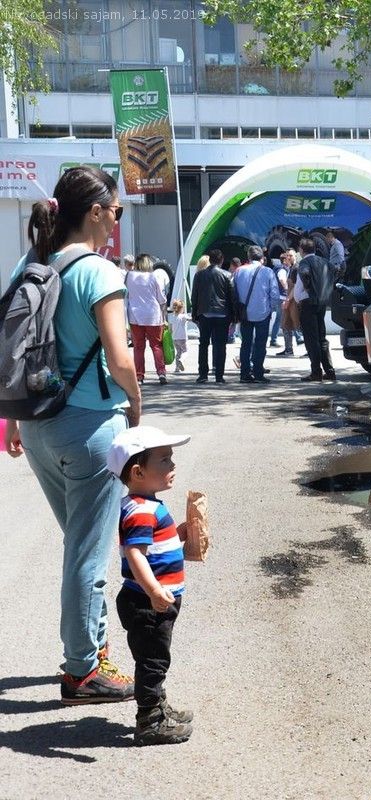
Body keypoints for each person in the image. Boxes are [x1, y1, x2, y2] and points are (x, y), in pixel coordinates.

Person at [3, 165, 140, 704]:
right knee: (86, 552)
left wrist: (13, 419)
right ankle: (82, 671)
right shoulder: (100, 273)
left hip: (38, 426)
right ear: (96, 211)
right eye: (116, 211)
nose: (116, 221)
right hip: (88, 429)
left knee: (79, 543)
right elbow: (119, 356)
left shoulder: (30, 262)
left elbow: (14, 346)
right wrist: (136, 400)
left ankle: (92, 650)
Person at [107, 425, 193, 745]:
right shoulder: (141, 510)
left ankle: (158, 706)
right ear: (139, 471)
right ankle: (150, 721)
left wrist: (181, 533)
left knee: (156, 657)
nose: (172, 466)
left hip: (153, 600)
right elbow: (134, 554)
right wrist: (154, 591)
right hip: (147, 602)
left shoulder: (146, 504)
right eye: (165, 460)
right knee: (153, 661)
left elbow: (154, 545)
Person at [233, 245, 280, 383]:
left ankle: (244, 374)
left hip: (244, 313)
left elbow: (232, 291)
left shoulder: (239, 271)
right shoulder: (268, 272)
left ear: (248, 257)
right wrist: (270, 309)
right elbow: (275, 295)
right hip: (262, 313)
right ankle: (258, 373)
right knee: (260, 344)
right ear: (262, 258)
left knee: (245, 344)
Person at [296, 238, 337, 382]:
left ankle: (316, 372)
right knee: (321, 337)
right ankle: (329, 371)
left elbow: (305, 274)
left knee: (311, 339)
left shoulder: (304, 262)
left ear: (301, 249)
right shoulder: (325, 262)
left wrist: (308, 288)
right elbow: (335, 270)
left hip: (308, 303)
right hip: (322, 302)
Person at [190, 249, 233, 384]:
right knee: (220, 345)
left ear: (210, 260)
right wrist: (233, 315)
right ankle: (219, 376)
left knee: (203, 344)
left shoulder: (199, 275)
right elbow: (231, 297)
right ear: (221, 260)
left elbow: (194, 296)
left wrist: (194, 314)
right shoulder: (227, 275)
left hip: (205, 313)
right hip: (222, 314)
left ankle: (203, 374)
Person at [126, 254, 168, 385]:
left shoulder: (129, 276)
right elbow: (161, 298)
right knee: (156, 346)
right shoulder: (153, 277)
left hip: (135, 315)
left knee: (138, 347)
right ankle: (161, 373)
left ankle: (139, 376)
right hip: (153, 316)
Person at [275, 249, 301, 357]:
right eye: (287, 256)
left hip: (294, 301)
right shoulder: (290, 268)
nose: (288, 257)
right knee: (286, 325)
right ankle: (288, 349)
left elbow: (295, 287)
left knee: (300, 326)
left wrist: (288, 300)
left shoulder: (296, 268)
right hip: (290, 300)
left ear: (295, 256)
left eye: (291, 255)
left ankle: (311, 350)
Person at [269, 251, 288, 348]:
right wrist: (287, 289)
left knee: (281, 318)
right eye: (288, 258)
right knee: (280, 318)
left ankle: (298, 337)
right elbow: (282, 280)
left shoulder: (275, 268)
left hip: (277, 296)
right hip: (282, 297)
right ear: (284, 260)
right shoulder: (282, 269)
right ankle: (273, 340)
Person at [168, 299, 189, 373]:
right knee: (185, 351)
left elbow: (170, 329)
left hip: (175, 338)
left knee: (178, 352)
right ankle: (181, 360)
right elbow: (191, 319)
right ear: (182, 308)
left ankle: (177, 368)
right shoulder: (183, 316)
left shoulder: (171, 317)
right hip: (182, 337)